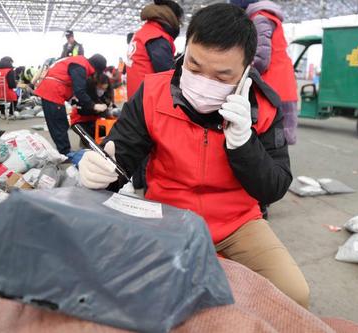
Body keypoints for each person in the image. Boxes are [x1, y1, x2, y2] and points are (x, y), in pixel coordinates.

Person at [78, 3, 309, 308]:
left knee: (293, 295)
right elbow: (119, 156)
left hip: (238, 223)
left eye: (223, 76)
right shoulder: (151, 93)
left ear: (245, 71)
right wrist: (99, 172)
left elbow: (274, 186)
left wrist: (243, 143)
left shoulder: (264, 108)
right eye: (195, 67)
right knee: (141, 298)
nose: (203, 83)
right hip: (168, 218)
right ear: (185, 52)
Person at [232, 0, 299, 145]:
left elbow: (261, 58)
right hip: (281, 83)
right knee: (277, 142)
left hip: (272, 85)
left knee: (270, 142)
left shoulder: (260, 18)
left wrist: (237, 72)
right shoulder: (265, 16)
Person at [34, 54, 107, 155]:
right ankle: (66, 153)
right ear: (97, 68)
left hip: (51, 90)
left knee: (60, 122)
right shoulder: (80, 65)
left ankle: (64, 151)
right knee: (58, 124)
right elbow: (79, 91)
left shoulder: (78, 61)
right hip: (53, 92)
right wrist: (93, 105)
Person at [125, 0, 183, 99]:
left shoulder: (143, 33)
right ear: (173, 18)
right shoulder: (156, 37)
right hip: (149, 101)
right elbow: (169, 74)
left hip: (136, 100)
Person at [70, 70, 115, 143]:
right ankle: (86, 143)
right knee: (91, 141)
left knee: (105, 130)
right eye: (100, 88)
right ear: (95, 86)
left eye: (104, 89)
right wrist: (95, 108)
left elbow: (110, 110)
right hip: (79, 121)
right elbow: (81, 111)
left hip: (94, 121)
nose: (102, 91)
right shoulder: (84, 96)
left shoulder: (105, 96)